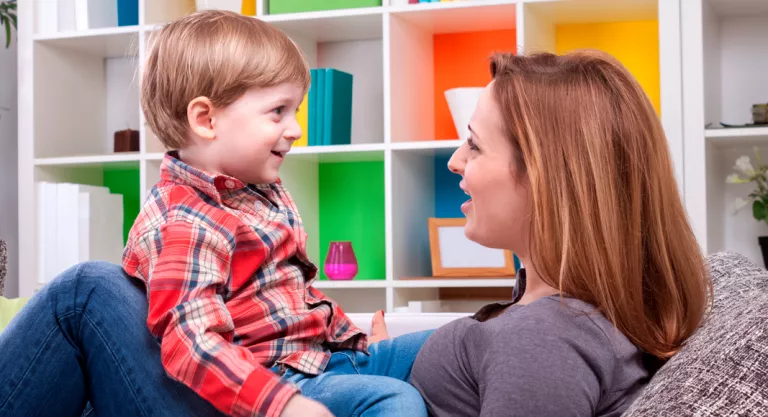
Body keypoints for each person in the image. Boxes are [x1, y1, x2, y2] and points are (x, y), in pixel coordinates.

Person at [0, 10, 427, 417]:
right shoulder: (186, 218)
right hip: (276, 380)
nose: (296, 128)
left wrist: (352, 342)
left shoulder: (259, 194)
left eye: (294, 110)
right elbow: (193, 339)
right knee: (394, 399)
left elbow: (295, 300)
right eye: (278, 111)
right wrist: (282, 405)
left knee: (452, 345)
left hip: (318, 360)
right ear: (206, 119)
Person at [405, 51, 713, 416]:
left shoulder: (543, 340)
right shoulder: (561, 323)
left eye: (474, 145)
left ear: (545, 180)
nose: (455, 161)